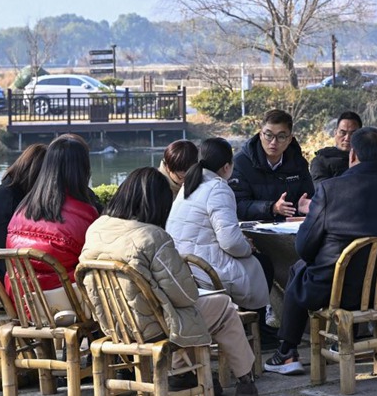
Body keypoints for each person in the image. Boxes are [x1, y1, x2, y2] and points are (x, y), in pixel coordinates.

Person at [80, 167, 258, 395]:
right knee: (222, 307)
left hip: (113, 324)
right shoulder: (152, 236)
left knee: (191, 312)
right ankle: (245, 380)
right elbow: (185, 296)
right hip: (152, 326)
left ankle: (184, 373)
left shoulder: (96, 228)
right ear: (159, 204)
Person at [264, 127, 377, 375]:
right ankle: (343, 342)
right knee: (320, 268)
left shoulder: (331, 190)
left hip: (336, 292)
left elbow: (304, 247)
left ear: (353, 155)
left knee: (300, 268)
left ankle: (287, 352)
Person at [166, 137, 271, 312]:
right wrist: (247, 247)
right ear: (227, 167)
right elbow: (231, 242)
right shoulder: (218, 188)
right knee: (263, 263)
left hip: (185, 267)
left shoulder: (190, 184)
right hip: (207, 272)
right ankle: (256, 324)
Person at [5, 134, 99, 294]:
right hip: (64, 301)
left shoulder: (22, 208)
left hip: (23, 298)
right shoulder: (84, 214)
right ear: (82, 170)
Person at [0, 143, 47, 303]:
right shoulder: (10, 204)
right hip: (0, 288)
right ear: (39, 175)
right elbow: (10, 262)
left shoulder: (6, 194)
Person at [229, 109, 314, 222]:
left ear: (289, 139)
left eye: (281, 136)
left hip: (289, 228)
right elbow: (238, 205)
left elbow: (308, 197)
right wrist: (272, 208)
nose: (273, 142)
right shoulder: (241, 163)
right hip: (252, 229)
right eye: (269, 135)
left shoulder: (298, 163)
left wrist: (301, 207)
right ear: (260, 134)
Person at [309, 111, 363, 185]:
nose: (347, 138)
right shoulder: (322, 160)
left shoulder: (367, 159)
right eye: (343, 133)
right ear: (335, 133)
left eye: (353, 134)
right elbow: (321, 189)